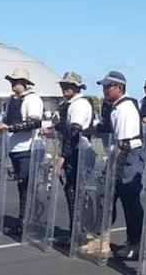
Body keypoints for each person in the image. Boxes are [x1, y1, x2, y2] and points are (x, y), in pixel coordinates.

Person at [0, 68, 44, 236]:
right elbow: (4, 120)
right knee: (22, 186)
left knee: (26, 186)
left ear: (24, 83)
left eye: (17, 81)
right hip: (15, 147)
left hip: (29, 147)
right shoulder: (12, 101)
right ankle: (24, 221)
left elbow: (34, 123)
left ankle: (27, 222)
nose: (13, 84)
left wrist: (9, 127)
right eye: (12, 81)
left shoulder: (32, 100)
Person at [95, 71, 144, 259]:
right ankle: (103, 238)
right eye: (104, 87)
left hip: (128, 156)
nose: (105, 90)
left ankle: (135, 242)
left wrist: (113, 166)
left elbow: (123, 143)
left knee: (129, 200)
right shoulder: (115, 107)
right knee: (110, 196)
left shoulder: (124, 108)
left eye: (108, 86)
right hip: (122, 154)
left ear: (120, 88)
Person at [46, 71, 93, 233]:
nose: (65, 88)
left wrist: (63, 156)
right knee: (72, 190)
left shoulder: (79, 105)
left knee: (76, 191)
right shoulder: (69, 104)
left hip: (79, 151)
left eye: (69, 85)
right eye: (63, 85)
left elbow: (74, 132)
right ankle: (77, 230)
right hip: (74, 150)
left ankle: (80, 231)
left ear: (77, 87)